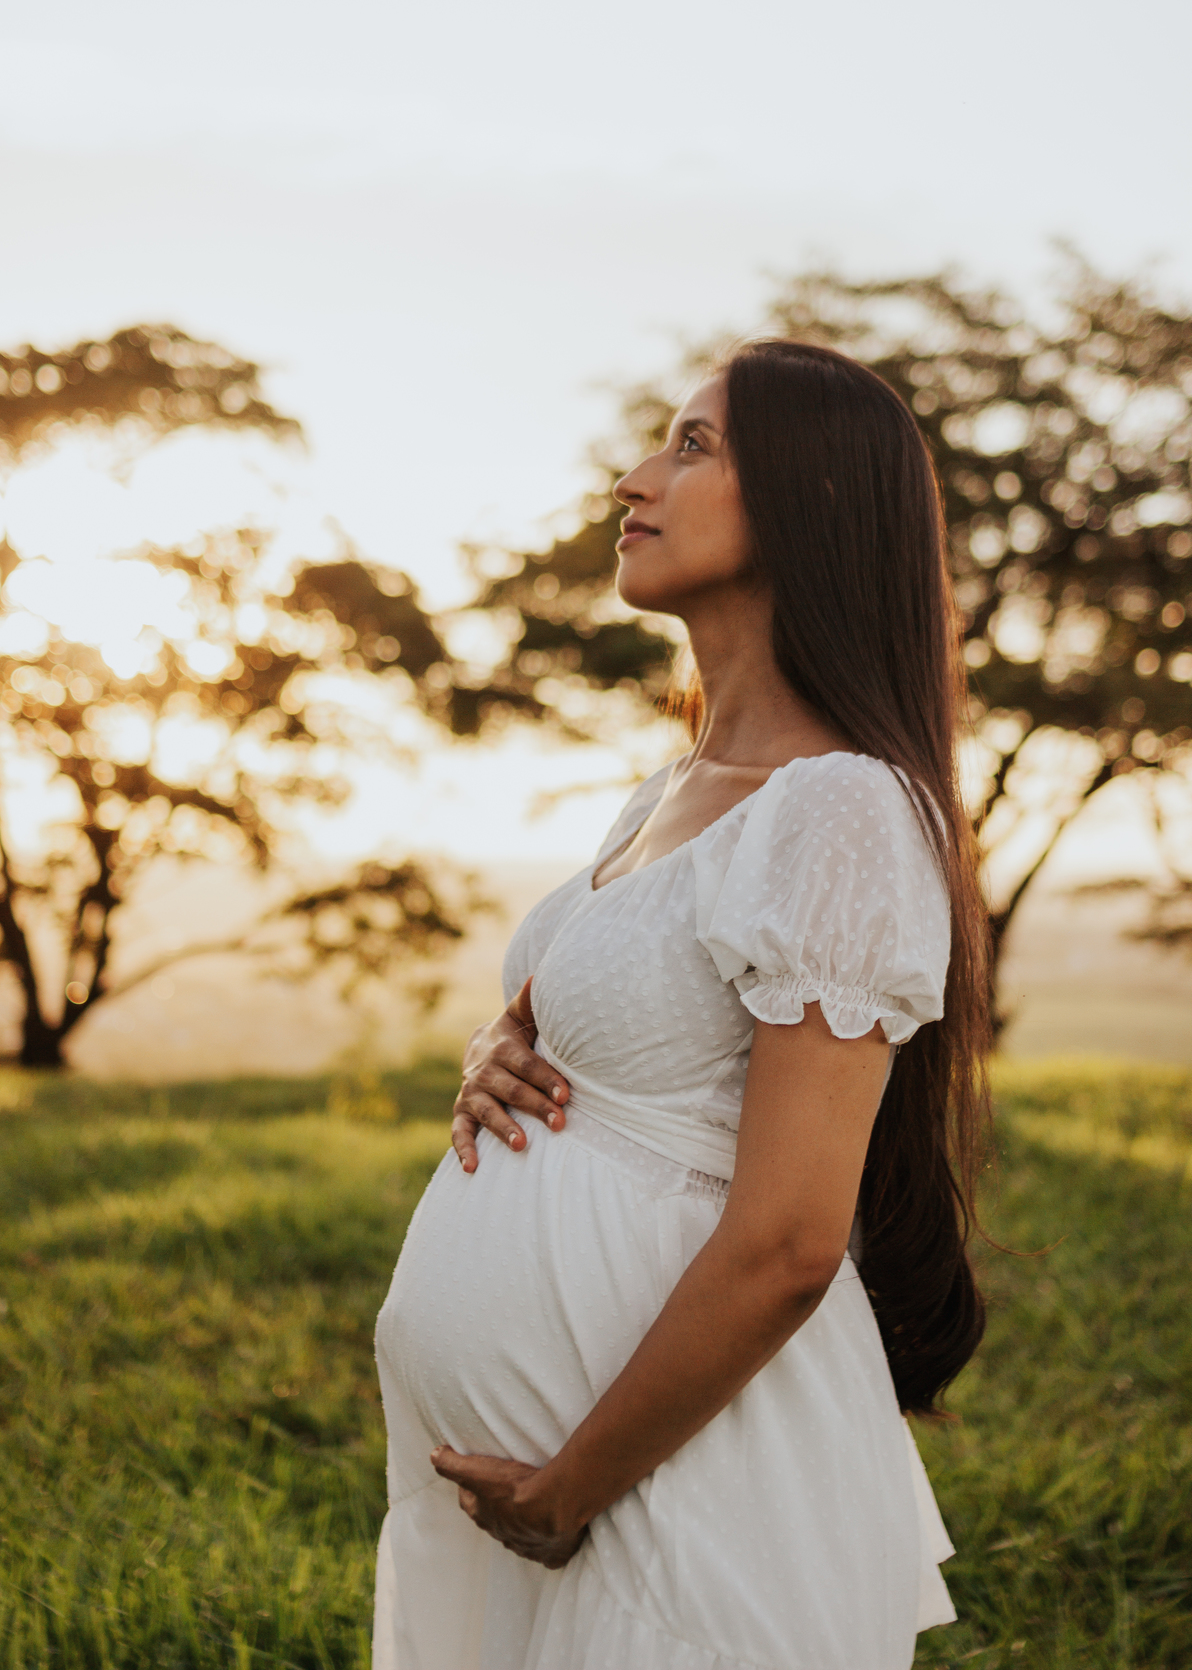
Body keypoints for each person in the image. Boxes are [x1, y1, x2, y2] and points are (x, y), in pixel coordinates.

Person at [373, 339, 992, 1670]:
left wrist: (573, 1482)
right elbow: (606, 1006)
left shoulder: (841, 807)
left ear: (814, 502)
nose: (634, 476)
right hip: (553, 1506)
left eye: (694, 445)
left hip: (672, 1508)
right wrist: (502, 1042)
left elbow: (787, 1239)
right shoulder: (669, 792)